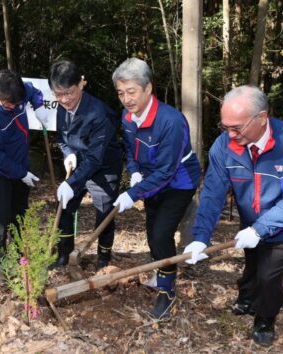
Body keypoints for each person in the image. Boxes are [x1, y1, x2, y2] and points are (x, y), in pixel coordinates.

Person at [183, 85, 283, 346]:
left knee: (269, 275)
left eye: (237, 127)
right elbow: (212, 194)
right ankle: (246, 298)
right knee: (254, 263)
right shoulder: (224, 146)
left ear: (262, 118)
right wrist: (200, 237)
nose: (230, 134)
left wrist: (259, 230)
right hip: (251, 220)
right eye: (226, 127)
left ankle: (266, 318)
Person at [112, 58, 201, 319]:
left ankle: (167, 291)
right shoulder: (127, 117)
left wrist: (133, 193)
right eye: (120, 93)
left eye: (131, 92)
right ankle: (162, 270)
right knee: (152, 231)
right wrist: (135, 171)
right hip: (150, 179)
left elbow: (167, 170)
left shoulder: (171, 121)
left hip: (179, 181)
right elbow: (130, 149)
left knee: (162, 232)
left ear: (148, 89)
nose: (126, 99)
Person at [0, 69, 48, 285]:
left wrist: (39, 105)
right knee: (1, 214)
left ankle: (17, 256)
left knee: (20, 212)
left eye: (16, 103)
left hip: (20, 163)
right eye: (8, 104)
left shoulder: (18, 93)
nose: (13, 107)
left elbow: (32, 91)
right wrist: (21, 173)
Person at [48, 60, 123, 270]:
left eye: (68, 93)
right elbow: (62, 137)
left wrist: (72, 183)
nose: (63, 100)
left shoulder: (100, 113)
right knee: (64, 206)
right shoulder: (62, 107)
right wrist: (68, 153)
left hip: (104, 167)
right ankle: (64, 253)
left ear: (81, 84)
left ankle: (104, 258)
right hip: (80, 163)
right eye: (58, 94)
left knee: (104, 212)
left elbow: (95, 158)